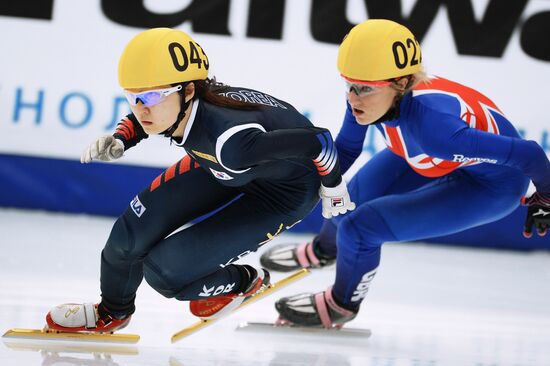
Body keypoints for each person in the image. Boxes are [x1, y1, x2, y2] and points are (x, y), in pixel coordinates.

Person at [44, 28, 355, 333]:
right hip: (220, 166)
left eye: (151, 95)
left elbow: (320, 141)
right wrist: (123, 137)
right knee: (126, 240)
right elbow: (151, 112)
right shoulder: (182, 106)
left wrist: (333, 186)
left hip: (282, 193)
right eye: (133, 97)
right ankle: (111, 313)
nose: (140, 108)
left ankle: (245, 280)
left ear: (189, 91)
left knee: (166, 273)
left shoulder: (229, 141)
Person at [261, 19, 550, 328]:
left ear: (401, 83)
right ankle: (325, 250)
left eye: (364, 89)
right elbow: (344, 152)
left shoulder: (436, 130)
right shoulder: (373, 93)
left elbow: (529, 153)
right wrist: (298, 186)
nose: (353, 98)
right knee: (350, 196)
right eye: (349, 85)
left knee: (360, 228)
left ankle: (340, 305)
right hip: (424, 155)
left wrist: (545, 198)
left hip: (493, 188)